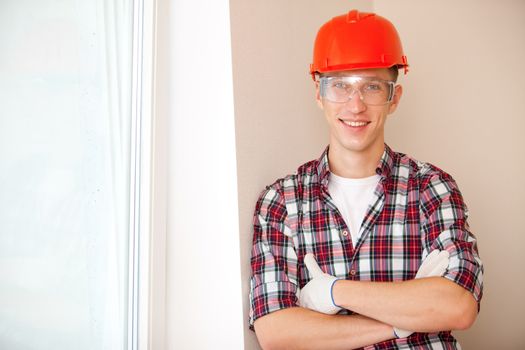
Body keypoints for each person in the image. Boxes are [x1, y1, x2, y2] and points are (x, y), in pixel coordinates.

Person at [248, 9, 483, 350]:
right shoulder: (282, 201)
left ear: (394, 98)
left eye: (372, 86)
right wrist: (402, 322)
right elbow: (277, 333)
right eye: (340, 85)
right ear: (319, 94)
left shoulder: (431, 187)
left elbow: (458, 306)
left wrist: (333, 290)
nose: (355, 105)